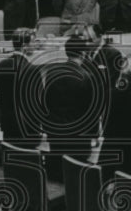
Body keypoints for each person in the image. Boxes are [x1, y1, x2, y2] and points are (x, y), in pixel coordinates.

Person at [42, 36, 100, 179]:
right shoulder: (88, 77)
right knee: (75, 178)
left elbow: (45, 103)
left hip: (55, 134)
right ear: (84, 54)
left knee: (56, 175)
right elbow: (91, 113)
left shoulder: (51, 73)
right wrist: (94, 136)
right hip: (77, 139)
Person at [0, 28, 39, 146]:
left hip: (8, 129)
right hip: (29, 132)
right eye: (33, 42)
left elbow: (0, 100)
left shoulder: (1, 66)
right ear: (24, 46)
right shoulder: (32, 70)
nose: (36, 45)